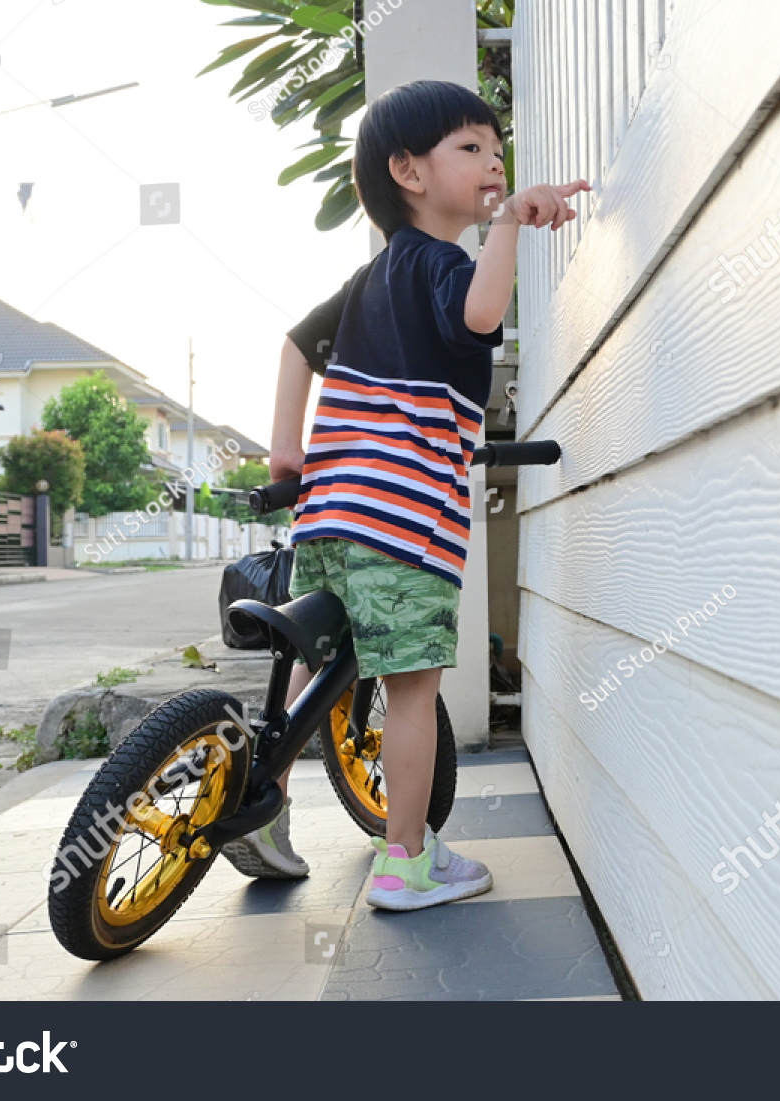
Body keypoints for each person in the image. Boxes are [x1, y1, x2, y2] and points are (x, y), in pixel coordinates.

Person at [220, 78, 588, 910]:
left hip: (329, 516)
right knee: (413, 690)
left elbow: (292, 347)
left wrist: (289, 452)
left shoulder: (369, 278)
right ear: (409, 172)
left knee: (322, 660)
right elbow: (482, 311)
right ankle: (406, 862)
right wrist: (510, 227)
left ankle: (260, 795)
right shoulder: (439, 262)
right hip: (402, 528)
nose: (494, 165)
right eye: (471, 150)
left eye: (499, 154)